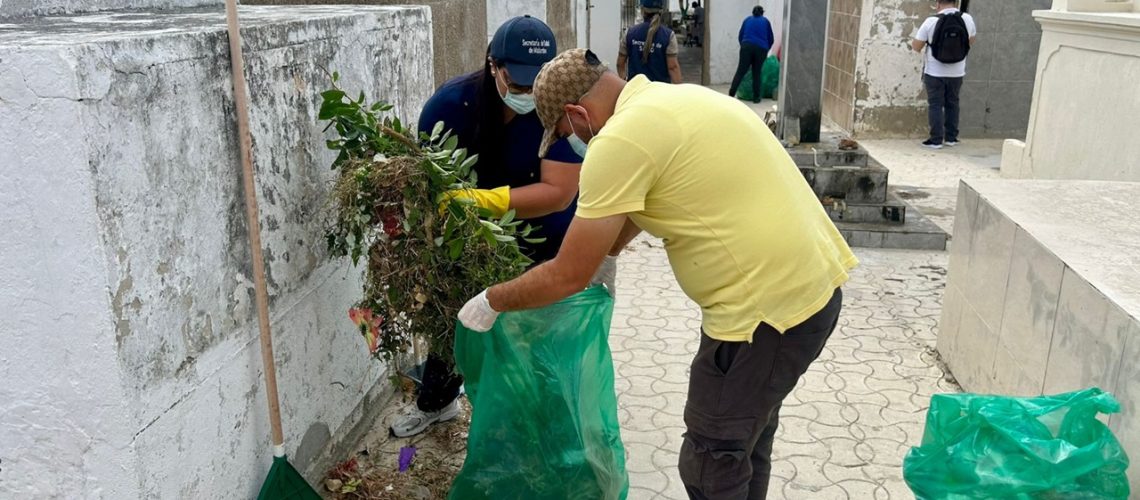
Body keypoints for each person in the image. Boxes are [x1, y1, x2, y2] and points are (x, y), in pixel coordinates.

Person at [457, 48, 859, 499]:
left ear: (577, 112)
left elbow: (568, 275)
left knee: (712, 460)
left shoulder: (620, 140)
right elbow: (614, 236)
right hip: (808, 291)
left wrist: (493, 300)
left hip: (764, 315)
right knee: (743, 444)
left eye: (567, 133)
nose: (574, 144)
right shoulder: (675, 102)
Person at [390, 16, 611, 438]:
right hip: (473, 240)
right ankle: (438, 402)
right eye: (519, 81)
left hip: (545, 237)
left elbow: (558, 192)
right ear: (494, 65)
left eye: (537, 81)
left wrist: (479, 202)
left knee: (544, 336)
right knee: (456, 316)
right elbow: (430, 182)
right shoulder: (451, 107)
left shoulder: (558, 102)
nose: (529, 93)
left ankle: (549, 422)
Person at [912, 0, 977, 149]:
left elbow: (916, 46)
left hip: (934, 72)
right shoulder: (967, 19)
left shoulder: (931, 21)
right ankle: (951, 138)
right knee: (953, 103)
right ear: (956, 3)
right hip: (957, 71)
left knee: (935, 104)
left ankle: (935, 140)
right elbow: (971, 41)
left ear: (938, 3)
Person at [617, 0, 683, 84]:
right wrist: (679, 90)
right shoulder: (669, 35)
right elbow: (673, 67)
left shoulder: (629, 33)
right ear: (661, 11)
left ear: (642, 10)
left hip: (636, 90)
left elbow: (620, 63)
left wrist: (625, 82)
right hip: (660, 91)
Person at [729, 6, 775, 103]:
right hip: (761, 48)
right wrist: (766, 49)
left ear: (753, 12)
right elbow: (771, 38)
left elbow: (741, 35)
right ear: (762, 13)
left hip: (747, 46)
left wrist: (744, 46)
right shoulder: (766, 21)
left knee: (740, 71)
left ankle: (731, 94)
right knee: (757, 73)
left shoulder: (747, 20)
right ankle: (756, 98)